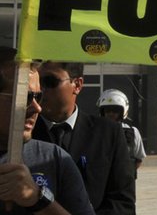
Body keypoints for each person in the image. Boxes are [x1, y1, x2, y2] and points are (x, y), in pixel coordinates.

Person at [32, 61, 134, 215]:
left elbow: (122, 202)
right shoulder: (22, 134)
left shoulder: (108, 133)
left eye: (50, 82)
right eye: (39, 82)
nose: (42, 90)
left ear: (77, 85)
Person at [0, 49, 94, 215]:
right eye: (25, 97)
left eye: (39, 97)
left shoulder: (56, 159)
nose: (37, 107)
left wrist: (37, 198)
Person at [95, 90, 145, 176]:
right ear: (102, 112)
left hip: (124, 184)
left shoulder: (132, 132)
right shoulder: (95, 132)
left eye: (115, 110)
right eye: (107, 110)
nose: (111, 113)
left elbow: (138, 159)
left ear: (123, 112)